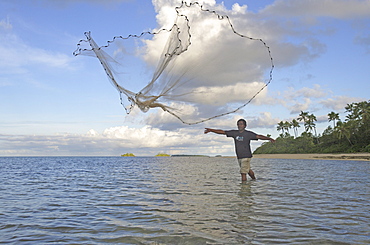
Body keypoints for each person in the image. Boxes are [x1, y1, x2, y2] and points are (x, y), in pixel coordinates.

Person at [204, 119, 275, 182]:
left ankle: (244, 190)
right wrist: (211, 130)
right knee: (248, 170)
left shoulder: (248, 134)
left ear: (245, 125)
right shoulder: (235, 133)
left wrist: (269, 138)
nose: (239, 125)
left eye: (241, 124)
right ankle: (254, 180)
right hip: (239, 156)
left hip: (246, 156)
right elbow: (223, 132)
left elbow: (258, 136)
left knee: (243, 172)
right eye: (238, 124)